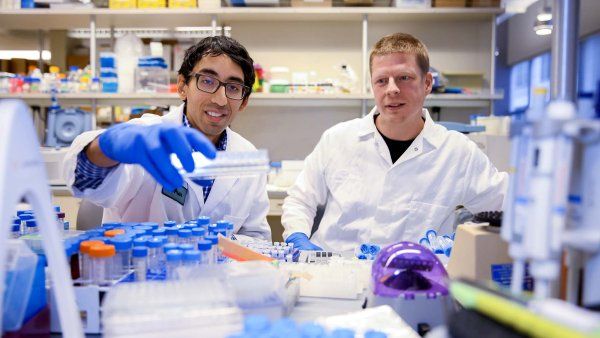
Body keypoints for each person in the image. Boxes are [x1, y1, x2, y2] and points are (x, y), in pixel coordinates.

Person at [282, 33, 508, 252]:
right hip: (335, 275)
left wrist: (467, 241)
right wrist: (297, 236)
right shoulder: (337, 139)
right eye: (381, 81)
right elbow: (300, 200)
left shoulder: (458, 152)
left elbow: (507, 206)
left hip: (413, 281)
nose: (392, 89)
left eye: (404, 78)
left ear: (427, 83)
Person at [63, 36, 271, 241]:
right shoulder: (146, 137)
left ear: (243, 102)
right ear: (182, 86)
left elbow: (255, 235)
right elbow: (87, 185)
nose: (220, 99)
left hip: (217, 274)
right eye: (207, 81)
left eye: (233, 88)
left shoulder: (247, 156)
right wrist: (105, 149)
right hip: (139, 271)